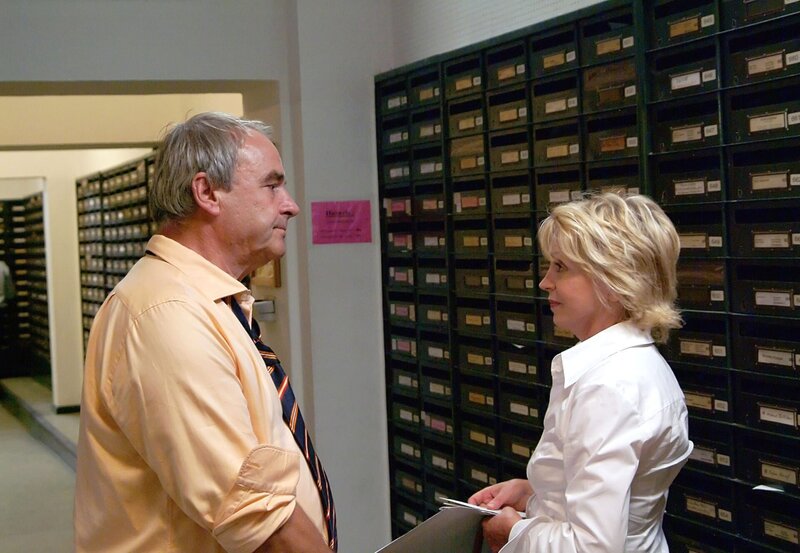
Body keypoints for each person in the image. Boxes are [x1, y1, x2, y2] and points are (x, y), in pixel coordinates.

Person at [74, 112, 336, 553]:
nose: (289, 204)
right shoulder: (167, 316)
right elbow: (256, 516)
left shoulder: (207, 304)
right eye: (272, 186)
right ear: (207, 192)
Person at [469, 192, 693, 553]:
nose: (545, 282)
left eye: (561, 267)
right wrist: (535, 495)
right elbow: (622, 496)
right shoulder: (630, 365)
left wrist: (512, 534)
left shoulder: (609, 387)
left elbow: (592, 547)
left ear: (612, 279)